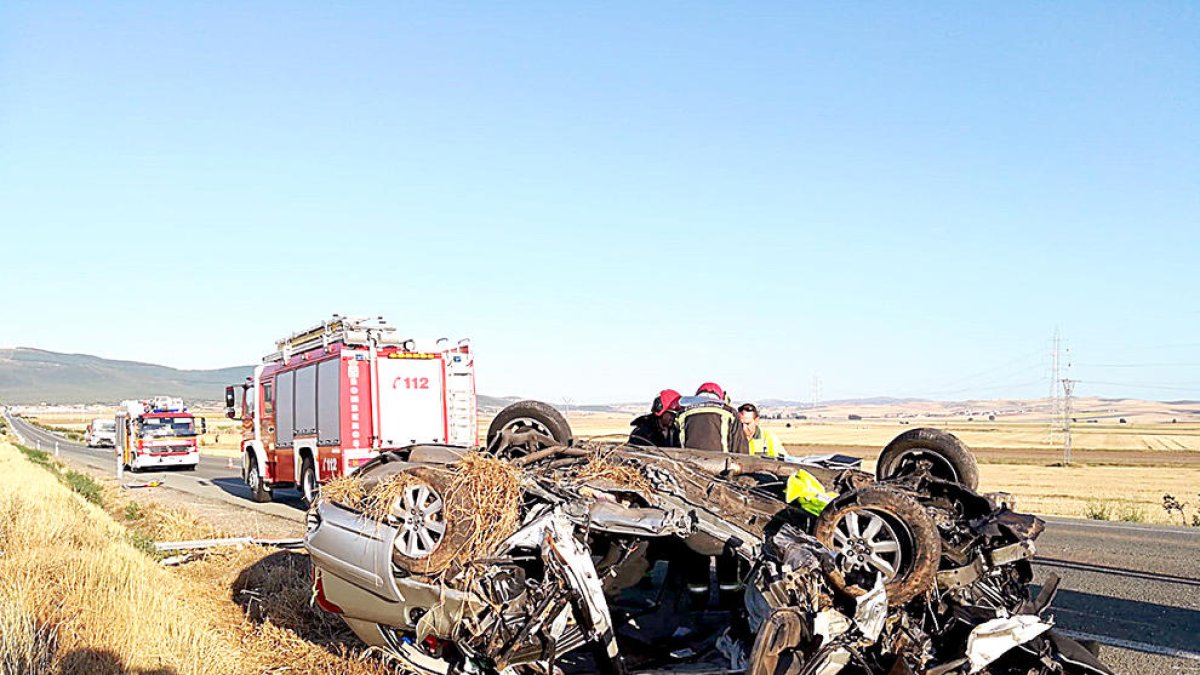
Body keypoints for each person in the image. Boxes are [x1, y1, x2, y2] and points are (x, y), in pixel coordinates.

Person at [677, 382, 750, 454]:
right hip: (721, 463)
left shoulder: (683, 414)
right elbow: (740, 447)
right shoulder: (730, 413)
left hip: (688, 463)